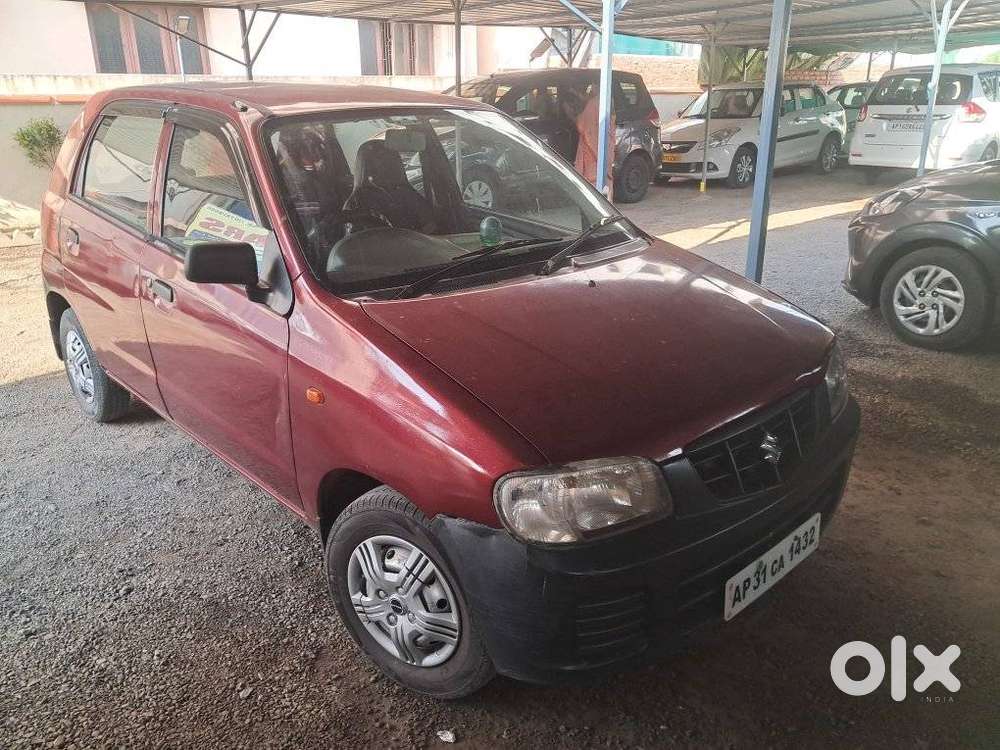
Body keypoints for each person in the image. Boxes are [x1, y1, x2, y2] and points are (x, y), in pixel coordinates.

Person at [570, 85, 615, 200]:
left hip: (592, 151)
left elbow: (582, 126)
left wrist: (570, 114)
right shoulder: (608, 100)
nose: (589, 90)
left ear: (596, 87)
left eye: (591, 87)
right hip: (607, 147)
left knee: (593, 181)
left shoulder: (593, 104)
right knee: (607, 180)